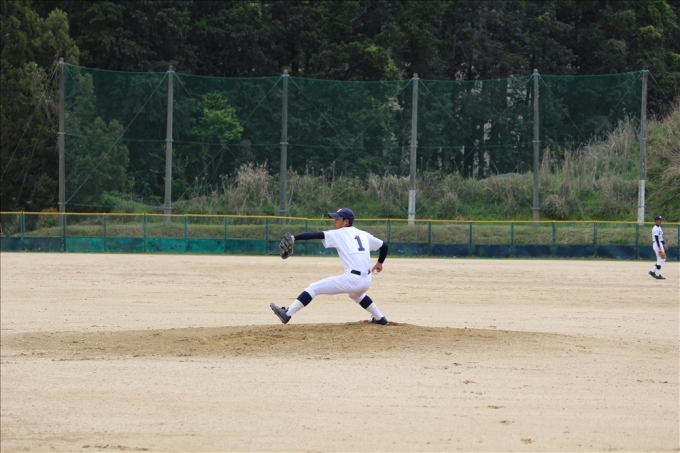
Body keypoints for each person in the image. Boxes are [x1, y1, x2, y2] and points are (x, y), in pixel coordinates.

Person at [270, 208, 390, 325]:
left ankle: (287, 314)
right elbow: (384, 246)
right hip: (367, 281)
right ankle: (380, 318)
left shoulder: (339, 233)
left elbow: (316, 235)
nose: (334, 221)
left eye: (337, 219)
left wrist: (294, 237)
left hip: (352, 279)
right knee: (355, 294)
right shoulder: (363, 234)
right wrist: (379, 262)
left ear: (346, 221)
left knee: (313, 288)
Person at [649, 215, 669, 280]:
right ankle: (658, 274)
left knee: (662, 259)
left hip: (660, 243)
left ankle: (652, 271)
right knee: (660, 259)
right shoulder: (655, 228)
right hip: (657, 244)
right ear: (656, 221)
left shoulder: (659, 228)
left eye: (661, 220)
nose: (661, 221)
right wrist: (659, 246)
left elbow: (661, 238)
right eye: (660, 220)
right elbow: (656, 238)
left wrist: (664, 244)